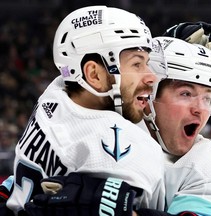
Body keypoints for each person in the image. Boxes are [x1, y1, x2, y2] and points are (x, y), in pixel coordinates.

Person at [4, 5, 168, 215]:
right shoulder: (118, 148)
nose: (151, 77)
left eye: (147, 63)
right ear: (94, 75)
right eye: (137, 64)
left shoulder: (57, 92)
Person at [143, 36, 211, 215]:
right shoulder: (105, 132)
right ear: (147, 95)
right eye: (186, 94)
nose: (200, 109)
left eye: (207, 98)